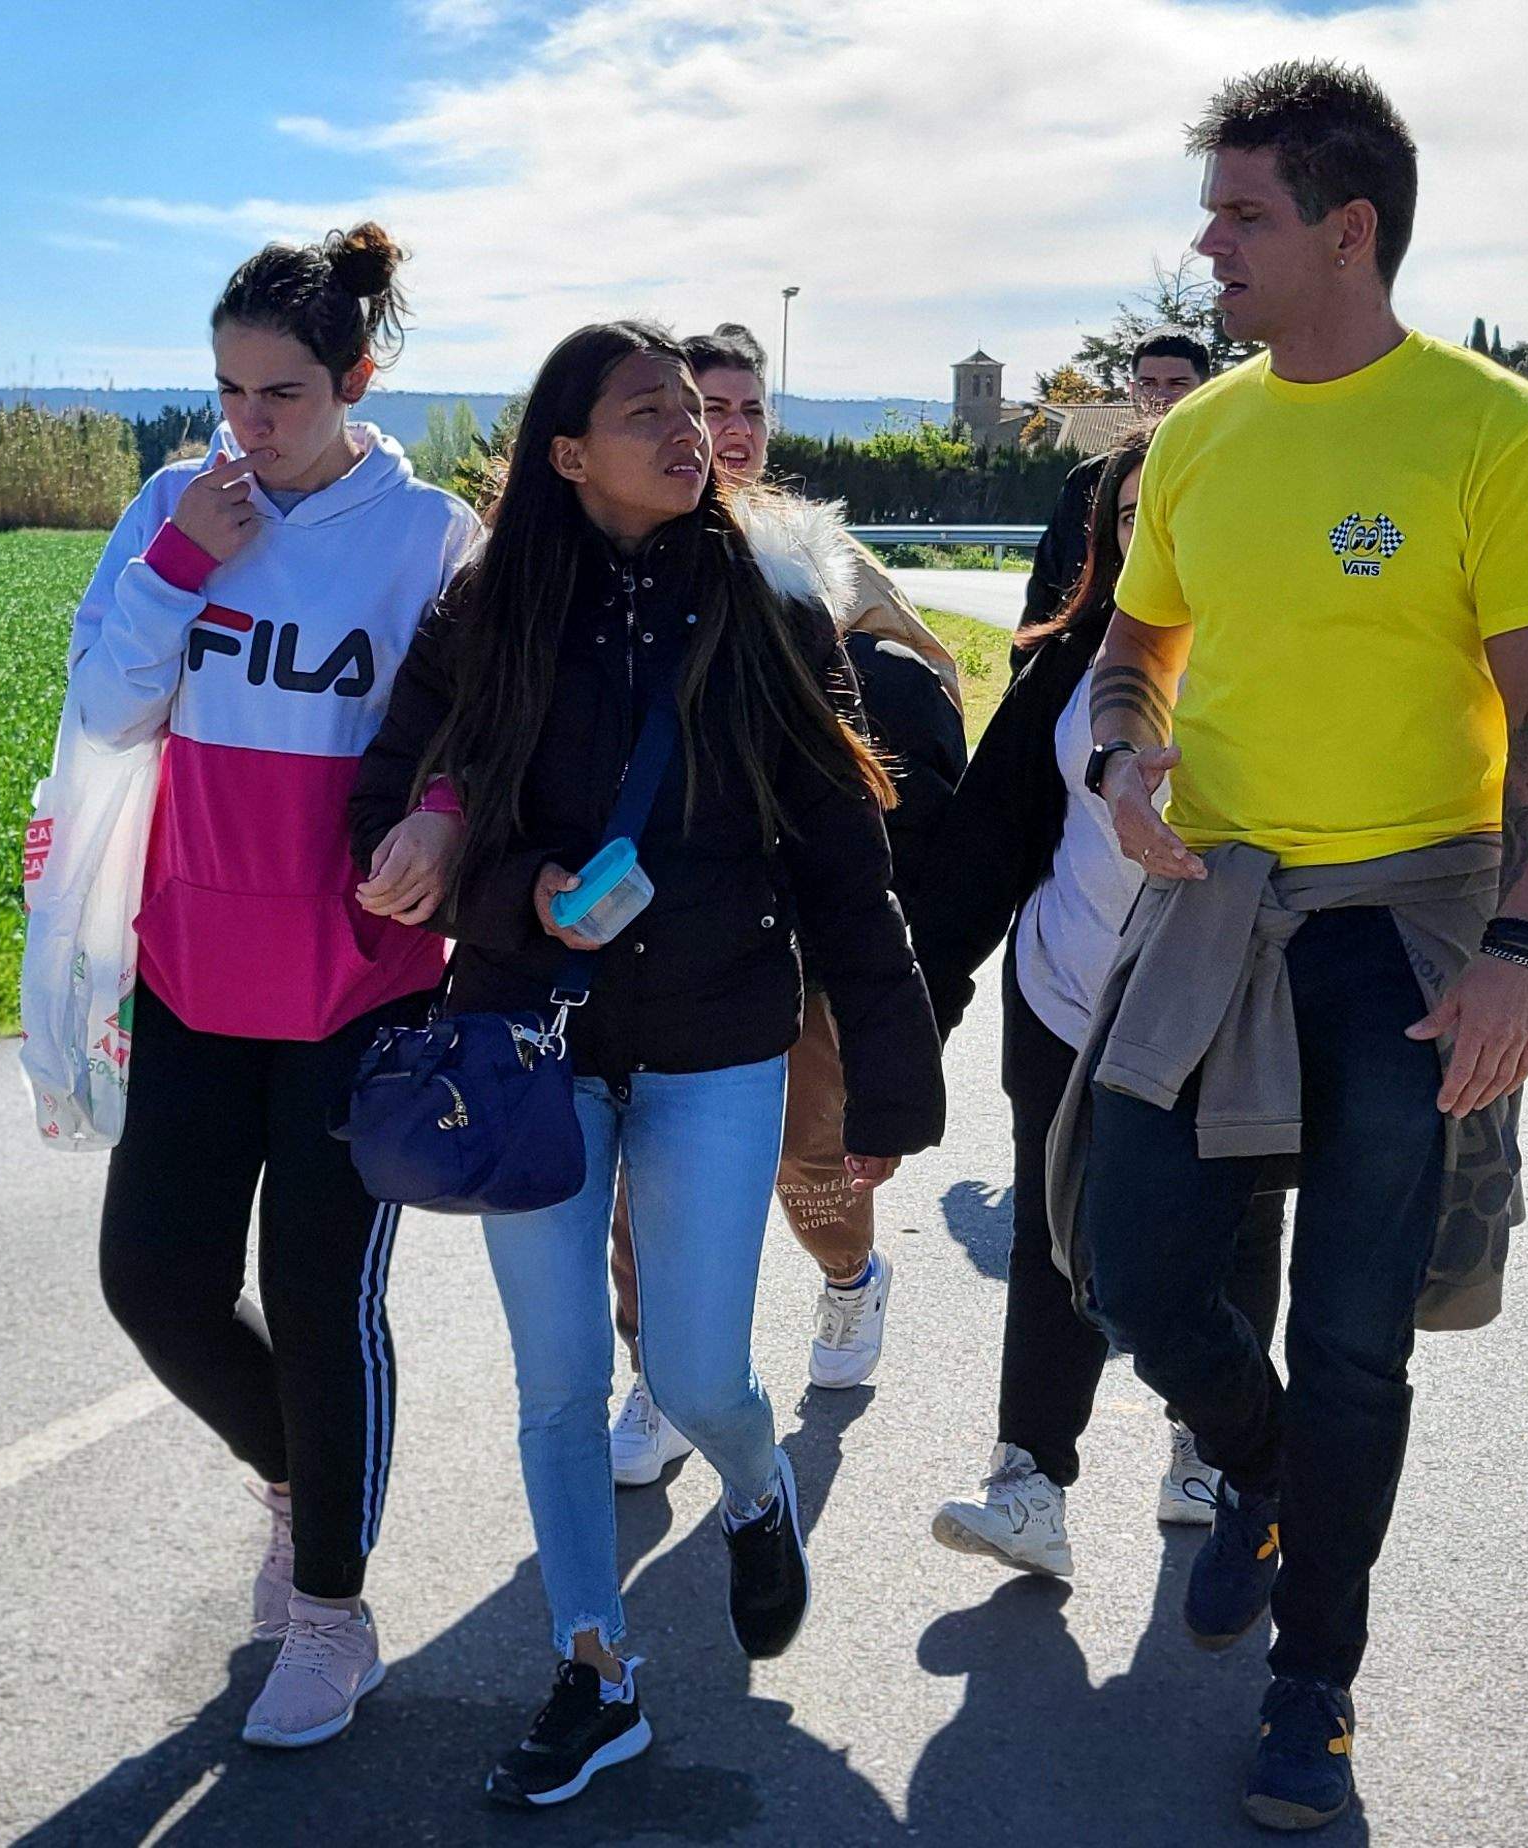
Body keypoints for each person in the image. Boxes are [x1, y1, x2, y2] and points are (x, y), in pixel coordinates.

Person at [1068, 62, 1528, 1832]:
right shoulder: (1202, 436)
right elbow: (1135, 647)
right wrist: (1120, 753)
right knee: (1129, 1259)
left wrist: (1523, 940)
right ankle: (1263, 1466)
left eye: (1242, 214)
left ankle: (1317, 1684)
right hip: (1214, 913)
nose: (1206, 243)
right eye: (1212, 209)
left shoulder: (1493, 429)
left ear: (1347, 229)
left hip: (1411, 928)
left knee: (1359, 1330)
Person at [348, 320, 946, 1810]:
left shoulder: (767, 604)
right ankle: (594, 1672)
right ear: (567, 452)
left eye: (696, 407)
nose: (693, 431)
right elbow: (387, 807)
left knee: (693, 1371)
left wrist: (890, 1069)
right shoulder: (488, 607)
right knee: (557, 1385)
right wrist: (510, 887)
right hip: (527, 1041)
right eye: (648, 413)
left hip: (717, 1042)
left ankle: (757, 1487)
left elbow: (840, 849)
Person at [58, 224, 480, 1752]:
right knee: (153, 1282)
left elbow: (478, 737)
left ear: (363, 378)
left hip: (352, 987)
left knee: (318, 1301)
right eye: (229, 388)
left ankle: (330, 1610)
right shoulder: (176, 505)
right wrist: (183, 564)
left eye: (285, 394)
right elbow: (106, 708)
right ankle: (302, 1481)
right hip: (188, 968)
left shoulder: (431, 535)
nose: (249, 423)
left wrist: (450, 821)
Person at [905, 425, 1290, 1578]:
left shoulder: (1278, 667)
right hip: (1063, 997)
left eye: (1169, 514)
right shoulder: (1068, 674)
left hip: (1221, 1011)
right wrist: (917, 1013)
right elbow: (984, 857)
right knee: (1050, 1233)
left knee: (1233, 1232)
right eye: (1126, 517)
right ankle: (1030, 1481)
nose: (1147, 535)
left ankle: (1213, 1453)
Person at [591, 325, 965, 1485]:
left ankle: (851, 1282)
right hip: (659, 925)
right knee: (641, 1177)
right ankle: (655, 1379)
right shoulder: (612, 555)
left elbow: (932, 682)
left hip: (793, 919)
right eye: (707, 405)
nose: (730, 429)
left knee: (814, 1165)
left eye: (747, 406)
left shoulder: (808, 557)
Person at [1022, 330, 1216, 643]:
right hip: (1096, 645)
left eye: (1177, 384)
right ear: (1131, 390)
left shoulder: (1223, 473)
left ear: (1208, 390)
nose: (1160, 398)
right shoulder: (1090, 479)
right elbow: (1049, 585)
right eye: (1148, 384)